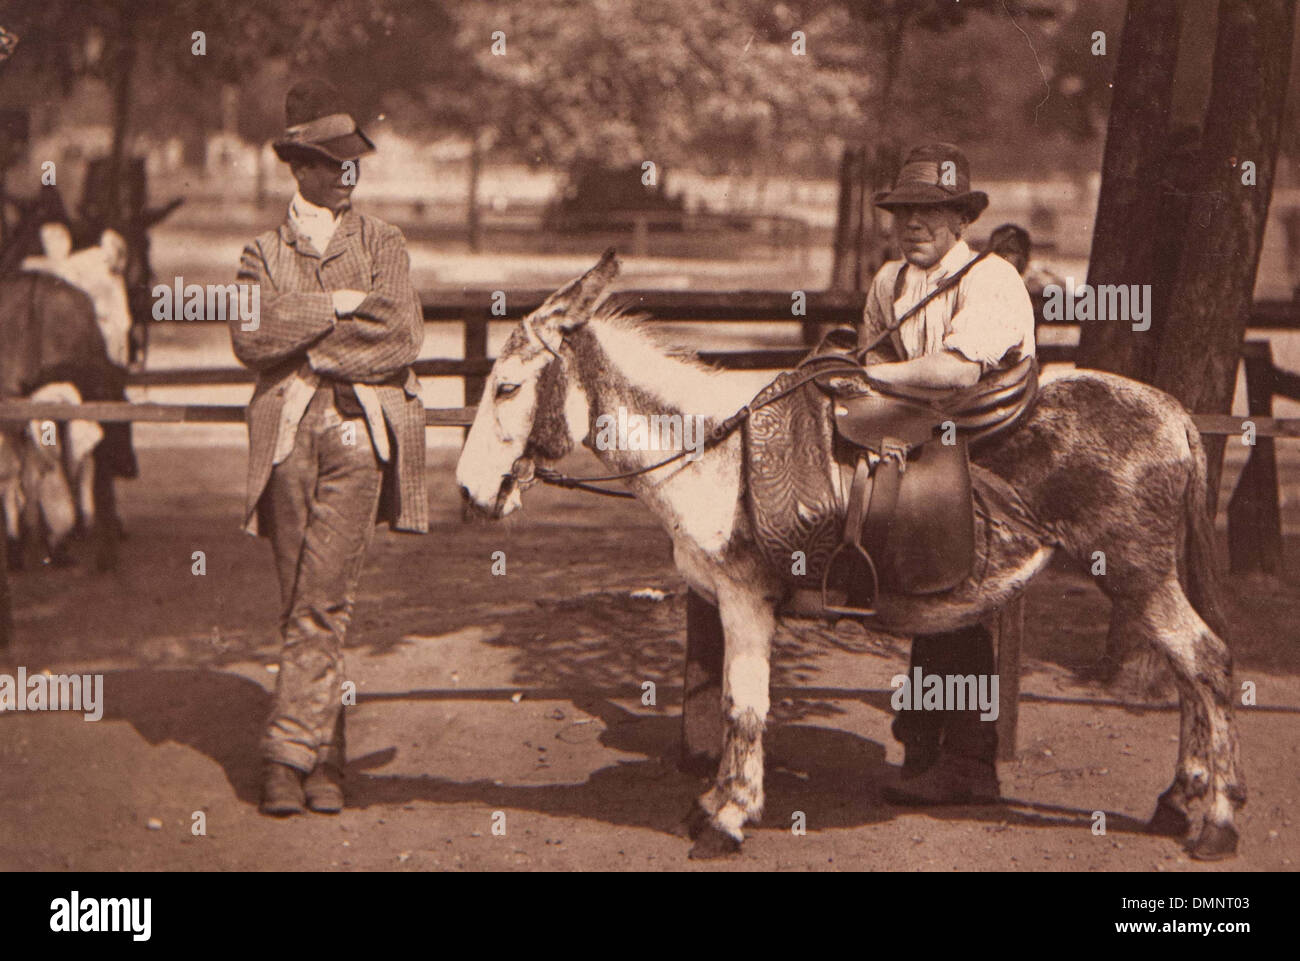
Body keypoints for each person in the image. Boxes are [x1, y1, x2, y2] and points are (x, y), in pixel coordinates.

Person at [229, 79, 428, 816]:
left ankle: (283, 755)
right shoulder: (260, 251)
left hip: (357, 432)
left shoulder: (383, 243)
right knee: (302, 602)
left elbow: (400, 337)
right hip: (284, 439)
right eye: (334, 162)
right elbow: (250, 336)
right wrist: (338, 306)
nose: (350, 174)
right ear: (300, 168)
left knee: (324, 599)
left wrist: (311, 348)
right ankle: (327, 761)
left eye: (354, 162)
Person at [859, 143, 1035, 804]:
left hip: (993, 448)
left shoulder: (988, 279)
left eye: (933, 212)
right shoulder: (889, 281)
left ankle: (966, 755)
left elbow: (958, 371)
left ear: (961, 219)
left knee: (952, 585)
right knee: (914, 572)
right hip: (924, 440)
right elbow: (870, 351)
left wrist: (869, 375)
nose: (915, 225)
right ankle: (926, 738)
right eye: (905, 211)